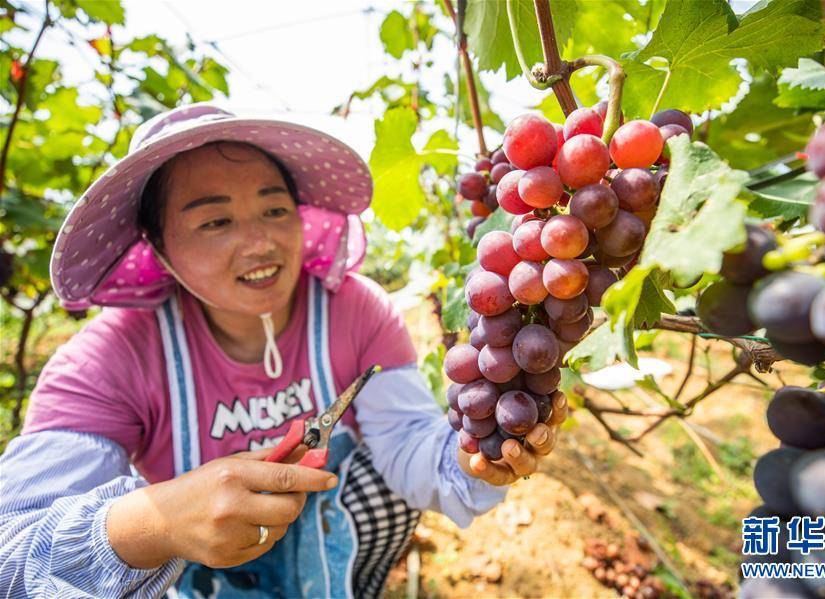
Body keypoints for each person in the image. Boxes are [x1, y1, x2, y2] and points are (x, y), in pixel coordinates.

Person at [0, 104, 567, 598]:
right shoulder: (106, 361)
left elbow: (409, 445)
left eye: (275, 209)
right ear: (158, 247)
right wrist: (151, 527)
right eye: (215, 220)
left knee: (382, 490)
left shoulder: (355, 309)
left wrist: (473, 461)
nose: (260, 241)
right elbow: (11, 559)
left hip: (336, 545)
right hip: (198, 573)